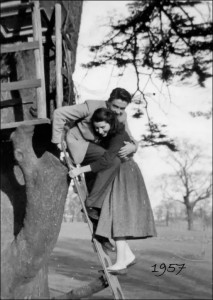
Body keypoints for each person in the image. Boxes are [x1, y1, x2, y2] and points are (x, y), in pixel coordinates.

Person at [69, 108, 157, 275]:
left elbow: (107, 160)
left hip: (126, 173)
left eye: (103, 127)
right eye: (97, 128)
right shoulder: (107, 135)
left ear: (111, 123)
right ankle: (128, 256)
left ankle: (121, 262)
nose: (100, 131)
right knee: (112, 215)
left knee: (117, 215)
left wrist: (81, 171)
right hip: (118, 173)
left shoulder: (118, 134)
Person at [52, 88, 138, 252]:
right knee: (112, 162)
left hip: (98, 153)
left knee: (104, 187)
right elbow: (59, 114)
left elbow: (128, 135)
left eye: (122, 109)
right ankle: (92, 207)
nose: (118, 111)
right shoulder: (90, 107)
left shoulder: (121, 116)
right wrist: (57, 142)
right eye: (115, 106)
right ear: (108, 100)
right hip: (81, 145)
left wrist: (134, 146)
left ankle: (101, 235)